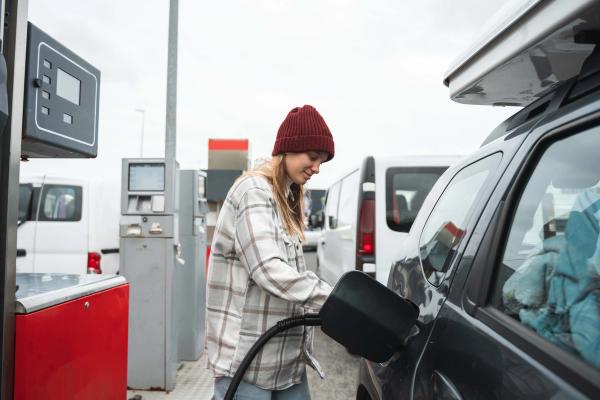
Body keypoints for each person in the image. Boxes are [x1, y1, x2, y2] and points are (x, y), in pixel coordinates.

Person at [206, 105, 335, 400]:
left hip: (285, 362)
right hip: (248, 360)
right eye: (313, 157)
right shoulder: (254, 192)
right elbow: (269, 270)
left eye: (322, 162)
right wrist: (334, 297)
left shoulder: (287, 197)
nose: (317, 167)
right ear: (289, 149)